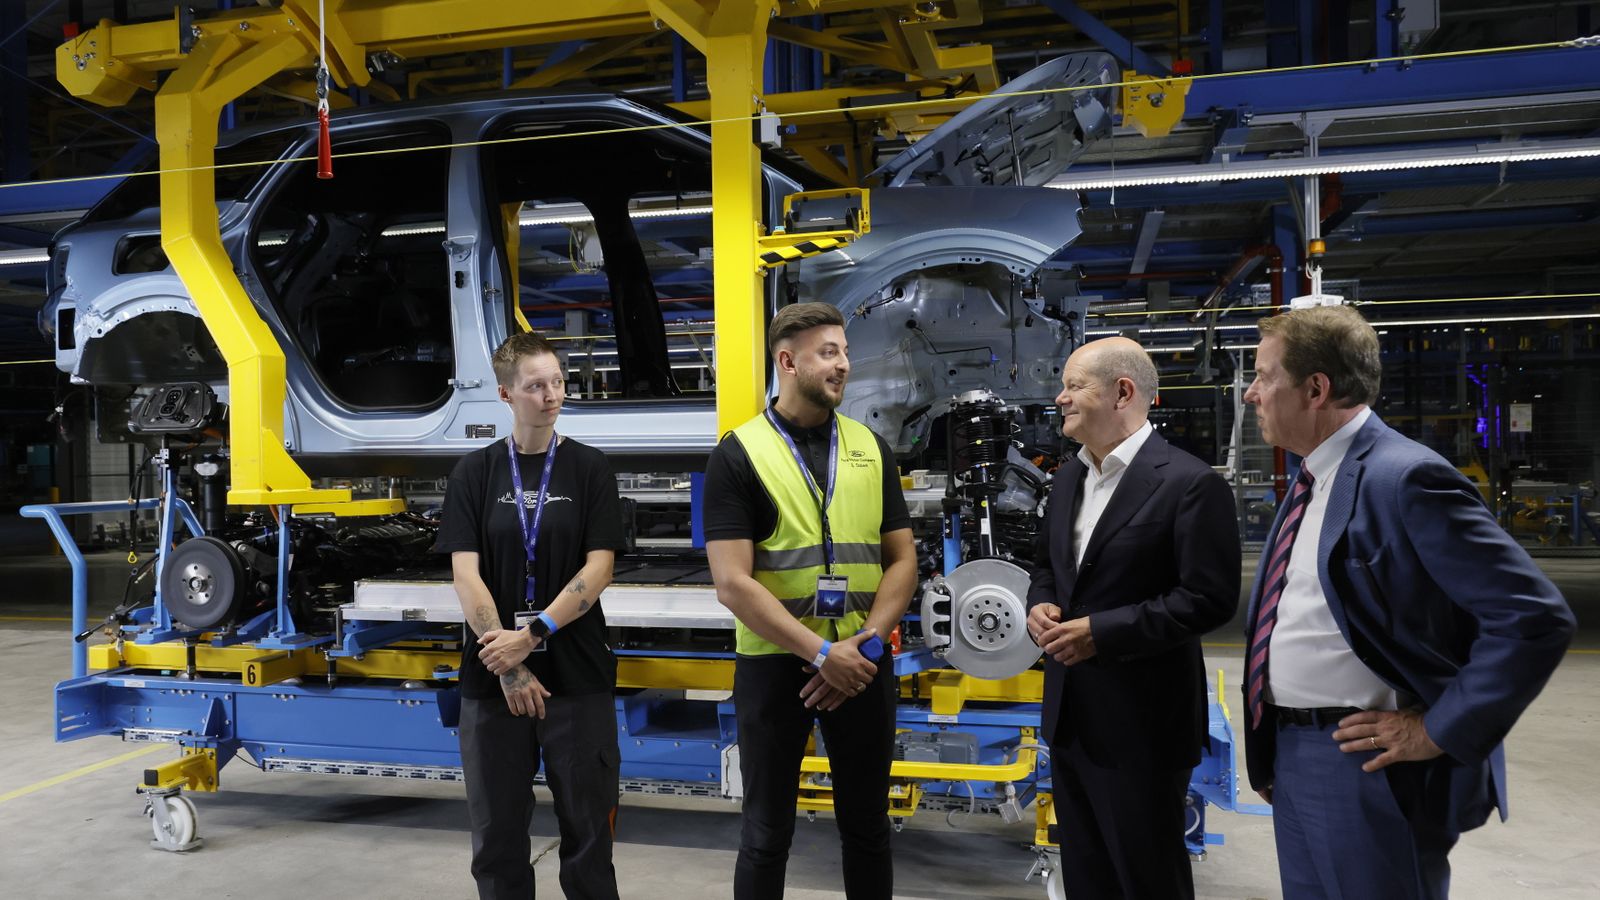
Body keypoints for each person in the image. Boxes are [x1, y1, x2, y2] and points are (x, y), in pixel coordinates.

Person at [1240, 304, 1574, 900]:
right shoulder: (1312, 478)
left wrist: (1438, 730)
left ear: (1316, 388)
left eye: (1264, 376)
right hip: (1297, 756)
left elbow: (1533, 617)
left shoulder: (1405, 477)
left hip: (1369, 766)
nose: (1250, 394)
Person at [703, 301, 917, 900]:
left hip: (864, 661)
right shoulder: (739, 454)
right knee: (767, 832)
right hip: (777, 668)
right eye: (829, 352)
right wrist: (824, 654)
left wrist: (863, 647)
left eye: (845, 351)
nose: (844, 364)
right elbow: (731, 582)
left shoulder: (872, 448)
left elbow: (902, 561)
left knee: (869, 828)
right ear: (787, 360)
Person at [1024, 336, 1241, 900]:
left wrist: (1102, 632)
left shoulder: (1189, 484)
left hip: (1143, 726)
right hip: (1072, 717)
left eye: (1074, 386)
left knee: (1146, 876)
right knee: (1088, 875)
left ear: (1122, 392)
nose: (1060, 398)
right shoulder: (1070, 477)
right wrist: (1039, 604)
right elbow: (1049, 565)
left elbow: (1208, 599)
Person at [435, 331, 627, 900]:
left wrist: (533, 634)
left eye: (558, 382)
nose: (551, 395)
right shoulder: (475, 474)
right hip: (494, 679)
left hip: (577, 676)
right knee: (496, 845)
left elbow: (599, 569)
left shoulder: (590, 469)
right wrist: (511, 662)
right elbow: (465, 574)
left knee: (590, 838)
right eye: (536, 385)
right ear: (505, 394)